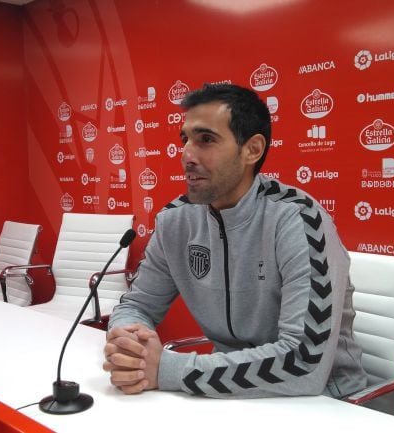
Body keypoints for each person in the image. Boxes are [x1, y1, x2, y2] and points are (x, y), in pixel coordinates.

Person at [103, 83, 367, 398]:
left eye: (206, 140)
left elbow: (304, 365)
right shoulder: (175, 221)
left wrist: (168, 369)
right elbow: (136, 304)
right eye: (185, 139)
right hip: (230, 392)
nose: (186, 154)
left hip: (328, 401)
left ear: (252, 150)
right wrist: (130, 341)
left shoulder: (297, 219)